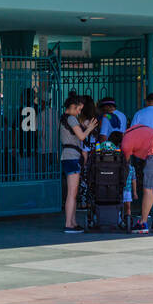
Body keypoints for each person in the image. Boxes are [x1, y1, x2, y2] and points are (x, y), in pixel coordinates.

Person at [59, 96, 94, 233]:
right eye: (79, 109)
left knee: (72, 193)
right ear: (73, 106)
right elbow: (81, 136)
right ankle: (69, 223)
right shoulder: (71, 119)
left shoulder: (65, 118)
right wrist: (89, 128)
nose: (79, 112)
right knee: (72, 193)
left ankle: (72, 222)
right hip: (72, 156)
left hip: (68, 156)